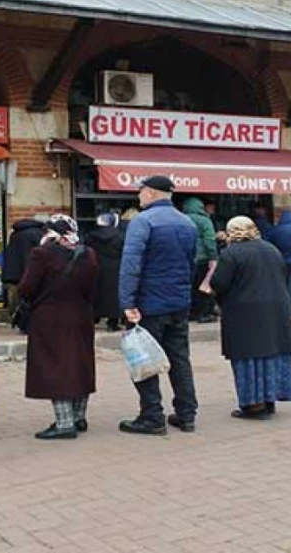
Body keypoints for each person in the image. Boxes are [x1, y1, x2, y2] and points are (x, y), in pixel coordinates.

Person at [118, 176, 198, 435]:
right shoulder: (187, 222)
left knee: (143, 357)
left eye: (140, 192)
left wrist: (127, 302)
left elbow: (131, 265)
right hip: (178, 302)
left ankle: (152, 416)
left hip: (149, 303)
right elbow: (191, 263)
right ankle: (186, 414)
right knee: (179, 358)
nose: (138, 197)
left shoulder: (143, 222)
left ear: (151, 192)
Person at [18, 215, 99, 440]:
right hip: (81, 316)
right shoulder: (89, 253)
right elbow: (92, 289)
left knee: (56, 367)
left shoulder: (42, 254)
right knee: (79, 364)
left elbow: (26, 288)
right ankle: (78, 416)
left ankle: (64, 423)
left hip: (49, 319)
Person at [209, 217, 291, 419]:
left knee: (248, 357)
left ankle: (253, 405)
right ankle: (269, 400)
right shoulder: (271, 249)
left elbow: (219, 282)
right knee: (271, 354)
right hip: (277, 309)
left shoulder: (231, 253)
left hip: (244, 311)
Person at [85, 213, 125, 331]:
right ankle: (112, 323)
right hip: (115, 270)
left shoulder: (91, 236)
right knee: (114, 297)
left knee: (96, 294)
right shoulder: (120, 237)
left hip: (95, 268)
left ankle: (93, 319)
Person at [182, 197, 219, 323]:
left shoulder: (181, 219)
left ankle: (191, 313)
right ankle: (203, 314)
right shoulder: (204, 220)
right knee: (203, 287)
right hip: (202, 259)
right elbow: (209, 240)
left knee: (189, 288)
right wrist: (213, 257)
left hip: (185, 260)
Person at [1, 217, 46, 315]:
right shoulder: (38, 234)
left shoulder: (15, 234)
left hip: (12, 276)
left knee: (15, 309)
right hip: (27, 276)